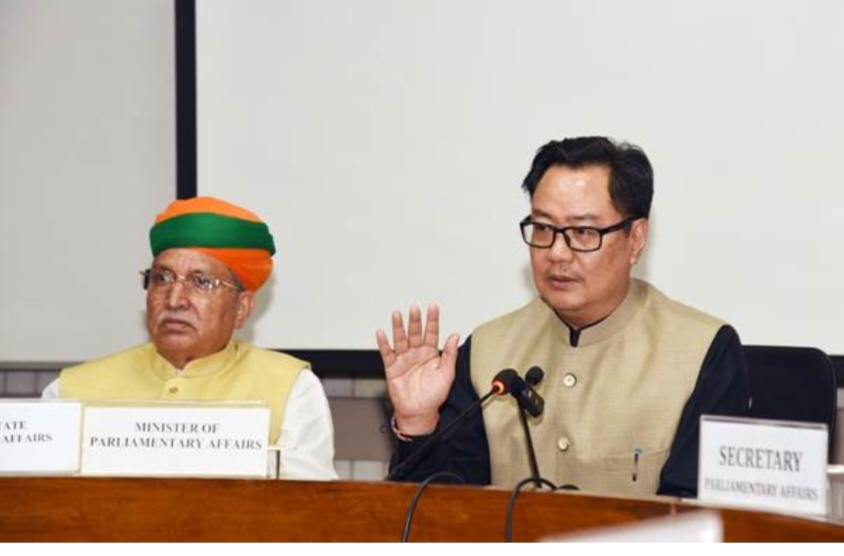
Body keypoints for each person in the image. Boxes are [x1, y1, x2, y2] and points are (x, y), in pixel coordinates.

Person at [377, 136, 749, 497]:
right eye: (543, 228)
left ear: (635, 238)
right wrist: (418, 423)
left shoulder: (703, 352)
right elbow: (447, 514)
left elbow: (701, 517)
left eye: (583, 232)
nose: (556, 253)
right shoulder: (487, 352)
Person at [43, 196, 337, 480]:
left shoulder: (290, 389)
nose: (174, 300)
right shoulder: (70, 393)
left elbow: (309, 506)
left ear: (241, 309)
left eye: (202, 282)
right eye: (162, 278)